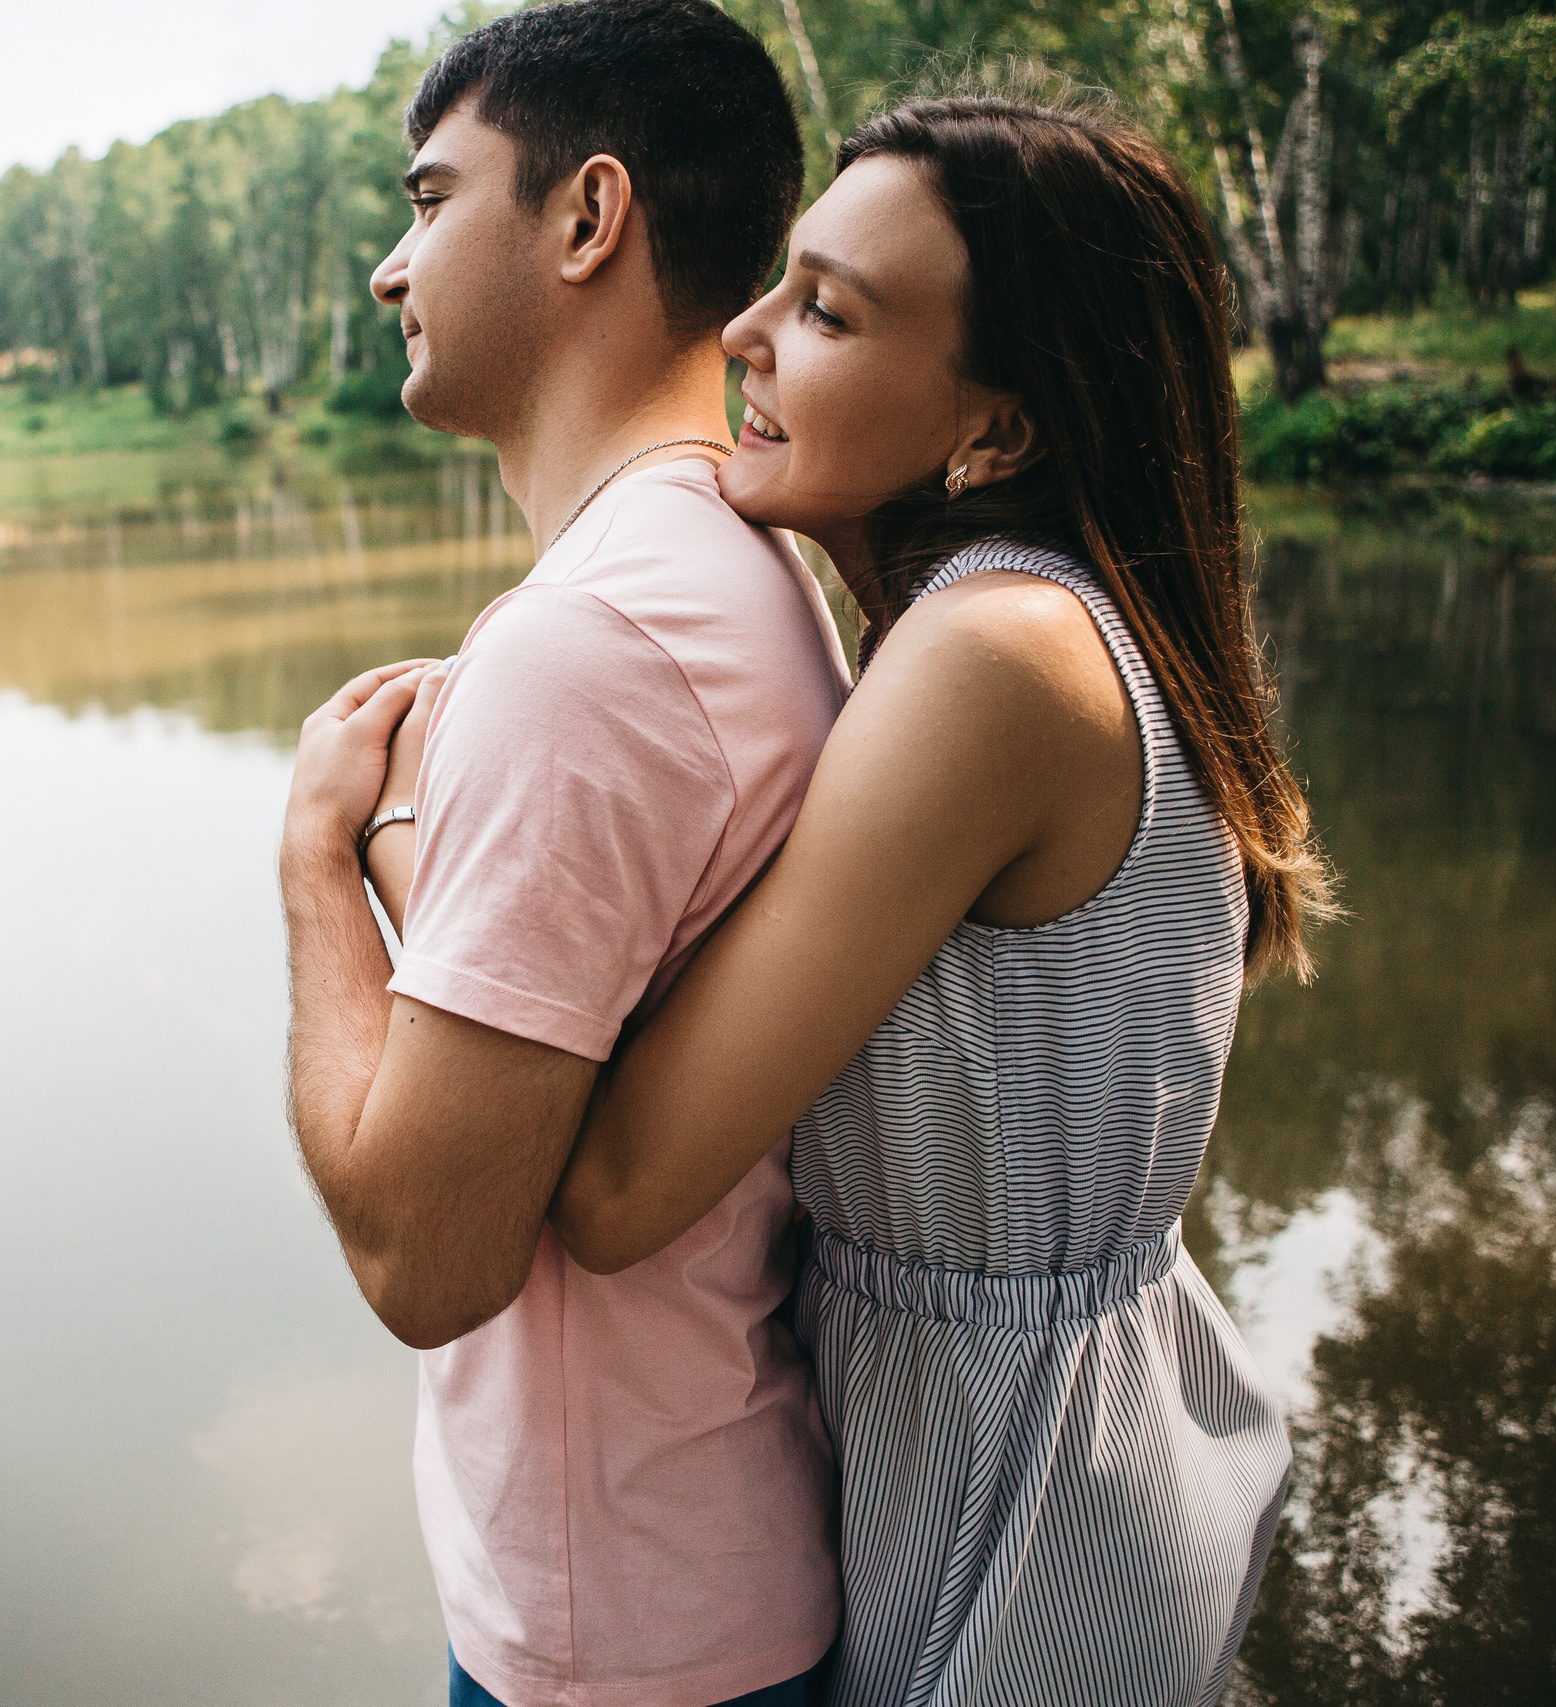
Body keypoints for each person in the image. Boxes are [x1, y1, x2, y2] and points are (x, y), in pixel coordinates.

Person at [361, 89, 1333, 1706]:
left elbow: (610, 1190)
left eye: (825, 310)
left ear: (998, 431)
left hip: (1012, 1506)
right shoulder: (1015, 622)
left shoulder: (992, 657)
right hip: (1026, 1433)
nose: (740, 331)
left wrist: (386, 824)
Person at [276, 4, 846, 1705]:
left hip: (629, 1642)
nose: (393, 267)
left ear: (589, 218)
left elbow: (421, 1257)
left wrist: (321, 856)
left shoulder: (593, 642)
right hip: (700, 1570)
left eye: (432, 200)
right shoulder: (727, 566)